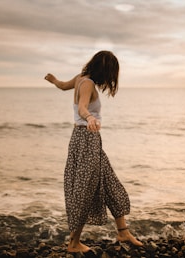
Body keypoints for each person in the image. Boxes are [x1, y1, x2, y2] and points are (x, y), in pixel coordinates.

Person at [44, 50, 143, 254]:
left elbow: (63, 86)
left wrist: (53, 80)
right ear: (104, 70)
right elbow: (81, 107)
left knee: (108, 181)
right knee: (85, 188)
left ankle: (123, 231)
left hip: (84, 139)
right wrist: (89, 118)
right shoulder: (87, 83)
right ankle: (74, 243)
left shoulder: (80, 79)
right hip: (86, 138)